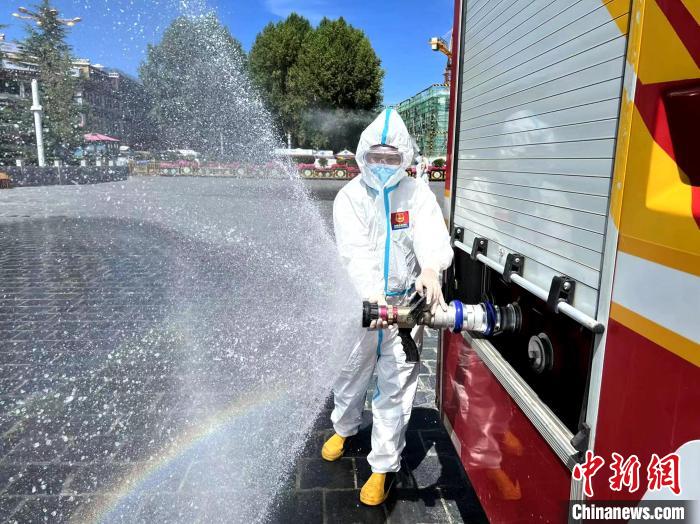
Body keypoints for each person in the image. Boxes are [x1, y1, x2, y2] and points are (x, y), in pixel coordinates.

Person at [323, 108, 453, 505]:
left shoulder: (416, 194)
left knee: (396, 388)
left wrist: (430, 268)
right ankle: (344, 427)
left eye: (391, 157)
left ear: (404, 158)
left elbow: (430, 234)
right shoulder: (349, 198)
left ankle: (382, 467)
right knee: (350, 373)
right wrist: (371, 295)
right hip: (362, 306)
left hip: (406, 309)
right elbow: (354, 251)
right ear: (363, 155)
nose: (382, 164)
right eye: (375, 156)